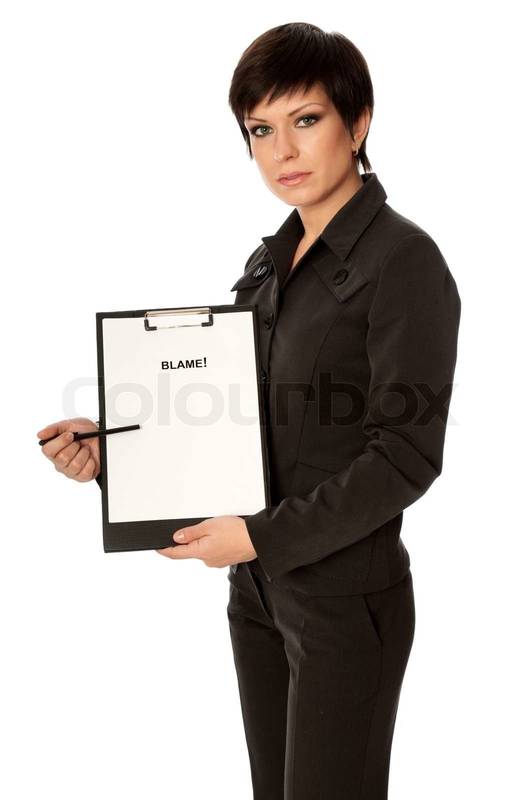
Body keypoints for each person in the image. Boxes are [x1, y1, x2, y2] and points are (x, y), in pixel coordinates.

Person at [37, 22, 461, 800]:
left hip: (344, 602)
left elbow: (406, 456)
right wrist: (116, 456)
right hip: (258, 591)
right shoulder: (268, 263)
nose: (282, 152)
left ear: (358, 122)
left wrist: (261, 536)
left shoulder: (403, 261)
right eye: (260, 130)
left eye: (306, 120)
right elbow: (236, 422)